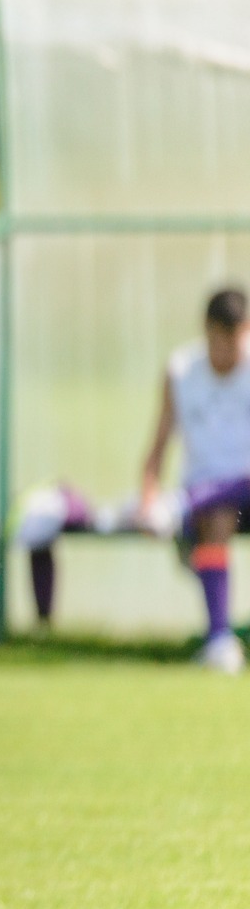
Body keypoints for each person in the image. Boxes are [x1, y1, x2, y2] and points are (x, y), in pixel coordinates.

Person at [141, 285, 250, 672]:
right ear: (207, 332)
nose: (231, 352)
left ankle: (184, 505)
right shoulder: (181, 371)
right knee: (217, 516)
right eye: (224, 342)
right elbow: (156, 449)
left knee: (213, 503)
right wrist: (148, 501)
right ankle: (220, 640)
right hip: (212, 505)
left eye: (238, 341)